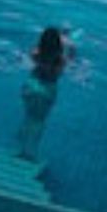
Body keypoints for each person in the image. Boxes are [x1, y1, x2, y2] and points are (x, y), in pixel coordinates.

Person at [16, 26, 73, 161]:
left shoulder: (35, 53)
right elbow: (70, 67)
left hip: (31, 86)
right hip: (47, 90)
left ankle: (20, 146)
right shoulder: (61, 61)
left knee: (29, 116)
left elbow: (26, 62)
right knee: (39, 121)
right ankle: (31, 153)